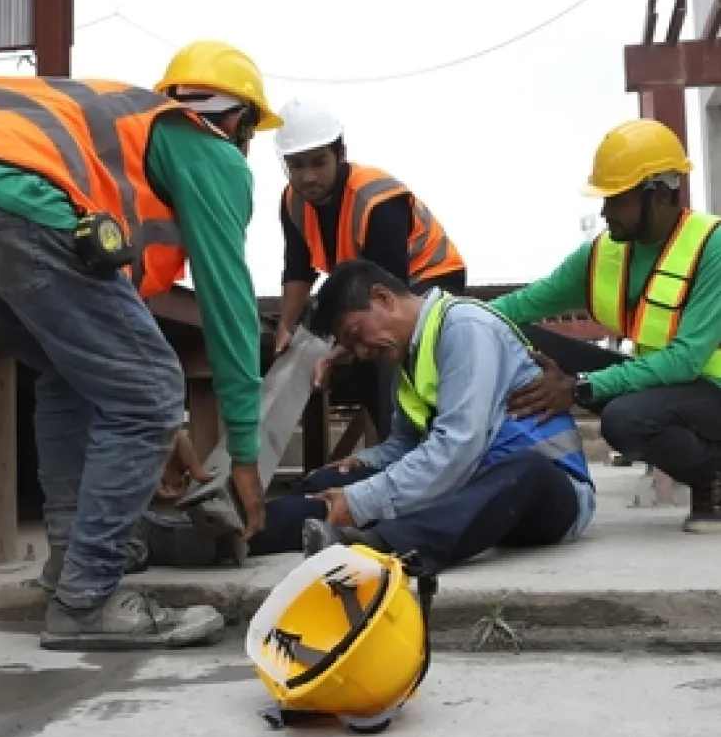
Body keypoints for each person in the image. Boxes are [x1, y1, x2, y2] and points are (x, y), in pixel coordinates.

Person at [0, 39, 282, 650]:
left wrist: (165, 436)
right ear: (239, 121)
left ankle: (72, 567)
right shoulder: (208, 147)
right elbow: (227, 305)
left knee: (68, 373)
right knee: (150, 391)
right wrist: (248, 460)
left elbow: (107, 354)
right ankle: (89, 599)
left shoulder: (124, 139)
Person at [246, 259, 596, 574]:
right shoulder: (409, 353)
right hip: (467, 482)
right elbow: (407, 443)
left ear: (384, 298)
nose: (362, 353)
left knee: (527, 470)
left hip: (547, 492)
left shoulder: (465, 327)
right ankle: (241, 534)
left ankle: (383, 544)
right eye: (351, 348)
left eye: (356, 336)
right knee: (331, 483)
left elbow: (459, 446)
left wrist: (361, 500)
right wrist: (362, 463)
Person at [488, 118, 721, 534]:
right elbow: (522, 305)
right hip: (671, 386)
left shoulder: (713, 247)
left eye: (617, 199)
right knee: (523, 337)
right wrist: (435, 316)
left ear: (660, 194)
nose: (604, 211)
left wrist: (578, 387)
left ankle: (712, 476)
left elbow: (686, 360)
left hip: (711, 391)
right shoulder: (605, 252)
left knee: (624, 419)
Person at [272, 97, 467, 439]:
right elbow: (298, 270)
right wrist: (286, 327)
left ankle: (426, 449)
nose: (309, 176)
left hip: (428, 279)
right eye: (297, 165)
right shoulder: (292, 202)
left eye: (318, 162)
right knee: (364, 367)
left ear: (340, 154)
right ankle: (395, 451)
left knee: (389, 357)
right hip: (368, 287)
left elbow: (388, 294)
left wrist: (334, 350)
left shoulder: (378, 198)